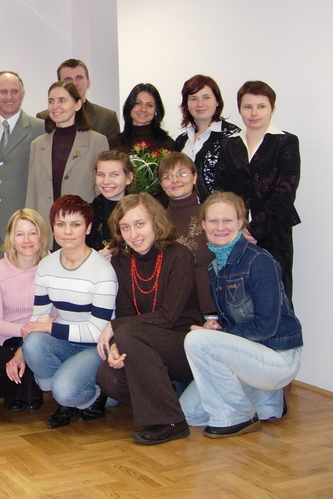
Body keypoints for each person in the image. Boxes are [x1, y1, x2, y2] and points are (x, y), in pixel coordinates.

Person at [179, 192, 303, 438]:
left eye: (227, 220)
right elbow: (234, 319)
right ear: (203, 225)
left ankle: (237, 417)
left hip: (277, 355)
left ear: (240, 222)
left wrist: (220, 335)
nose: (220, 227)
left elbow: (266, 326)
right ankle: (267, 398)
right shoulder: (215, 266)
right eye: (213, 221)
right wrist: (218, 326)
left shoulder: (259, 261)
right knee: (189, 414)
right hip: (249, 356)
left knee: (196, 340)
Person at [95, 193, 203, 445]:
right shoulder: (122, 260)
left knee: (129, 332)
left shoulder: (179, 256)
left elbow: (167, 317)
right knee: (108, 376)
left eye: (140, 224)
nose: (133, 234)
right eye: (125, 227)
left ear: (156, 221)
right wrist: (116, 345)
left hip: (183, 346)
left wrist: (115, 328)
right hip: (142, 345)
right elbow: (125, 313)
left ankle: (171, 422)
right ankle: (167, 398)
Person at [21, 196, 117, 429]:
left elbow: (97, 332)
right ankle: (67, 397)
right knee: (31, 343)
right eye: (61, 224)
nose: (67, 231)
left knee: (64, 390)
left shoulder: (102, 271)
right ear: (53, 227)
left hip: (96, 346)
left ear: (88, 228)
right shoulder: (47, 265)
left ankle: (95, 395)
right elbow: (38, 316)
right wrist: (22, 348)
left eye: (76, 224)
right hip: (65, 340)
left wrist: (50, 327)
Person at [215, 80, 300, 303]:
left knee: (276, 296)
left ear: (272, 108)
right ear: (239, 109)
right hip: (234, 233)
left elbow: (285, 191)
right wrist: (236, 227)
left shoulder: (286, 142)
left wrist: (254, 229)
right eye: (247, 106)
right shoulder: (229, 144)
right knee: (239, 298)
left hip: (274, 232)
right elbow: (221, 191)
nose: (254, 113)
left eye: (261, 106)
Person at [0, 209, 49, 411]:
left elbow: (53, 316)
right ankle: (16, 391)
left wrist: (26, 345)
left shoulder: (52, 266)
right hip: (6, 337)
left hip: (40, 338)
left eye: (32, 233)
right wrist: (27, 330)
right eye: (20, 234)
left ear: (42, 236)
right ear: (11, 238)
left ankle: (25, 389)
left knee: (32, 358)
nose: (26, 240)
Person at [0, 71, 45, 261]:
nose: (9, 96)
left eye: (15, 91)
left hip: (26, 225)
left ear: (22, 94)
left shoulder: (41, 128)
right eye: (3, 91)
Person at [26, 81, 108, 229]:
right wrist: (31, 225)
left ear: (77, 105)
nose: (55, 106)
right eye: (51, 101)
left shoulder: (97, 142)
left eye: (62, 100)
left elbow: (100, 190)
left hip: (81, 226)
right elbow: (32, 193)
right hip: (46, 227)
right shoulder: (37, 145)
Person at [158, 152, 214, 314]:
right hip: (169, 308)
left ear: (195, 177)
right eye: (167, 177)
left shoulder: (211, 215)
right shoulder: (157, 221)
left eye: (182, 174)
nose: (175, 180)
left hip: (208, 307)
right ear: (161, 184)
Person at [173, 75, 240, 200]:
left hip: (221, 210)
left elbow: (240, 182)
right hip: (185, 209)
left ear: (217, 101)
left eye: (206, 97)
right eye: (193, 98)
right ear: (186, 104)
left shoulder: (232, 136)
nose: (200, 104)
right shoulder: (181, 140)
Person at [36, 59, 120, 138]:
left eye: (79, 78)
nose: (74, 83)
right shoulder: (43, 117)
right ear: (59, 84)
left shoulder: (107, 117)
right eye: (68, 79)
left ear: (88, 82)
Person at [87, 150, 134, 252]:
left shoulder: (141, 212)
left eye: (114, 175)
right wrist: (96, 257)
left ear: (129, 178)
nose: (106, 181)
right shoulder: (87, 213)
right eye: (101, 175)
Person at [108, 83, 175, 153]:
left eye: (149, 105)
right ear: (129, 106)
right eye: (138, 103)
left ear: (156, 110)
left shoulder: (167, 144)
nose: (143, 109)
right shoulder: (114, 143)